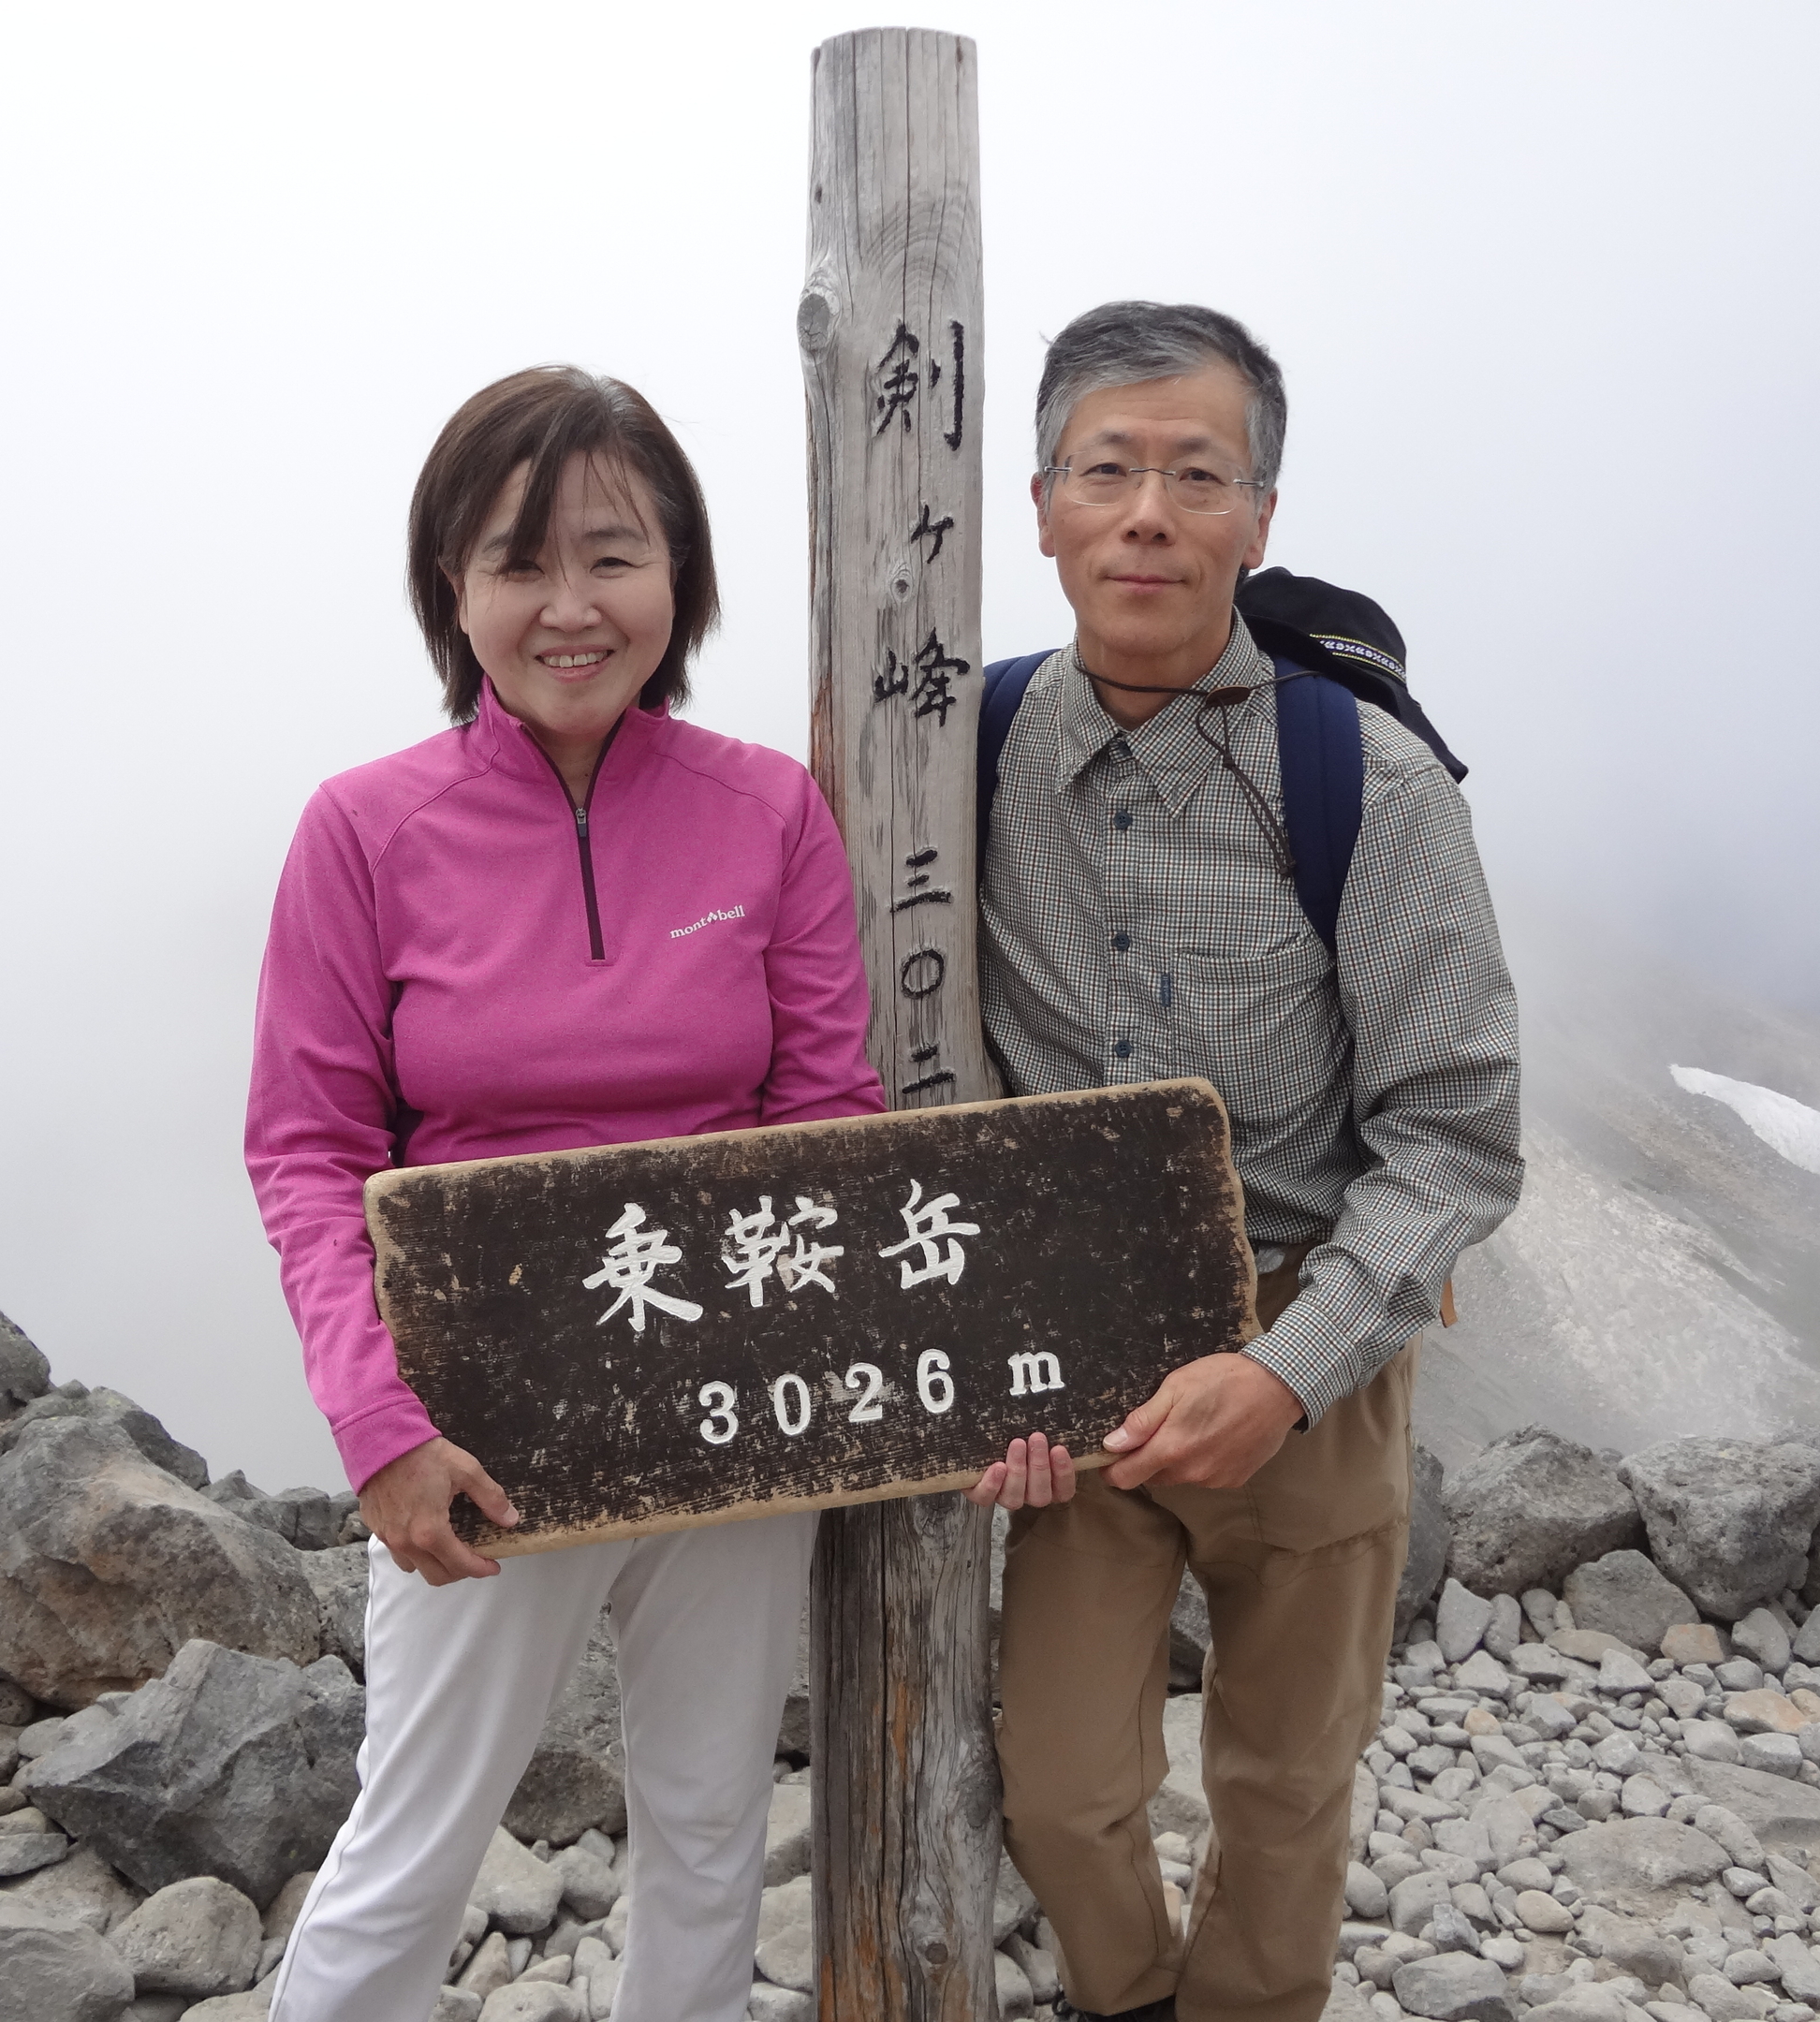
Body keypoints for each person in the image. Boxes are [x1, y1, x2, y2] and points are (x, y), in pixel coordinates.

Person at [244, 365, 884, 2022]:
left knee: (707, 1821)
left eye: (613, 553)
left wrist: (893, 1389)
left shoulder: (771, 813)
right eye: (517, 562)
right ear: (452, 591)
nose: (570, 606)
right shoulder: (364, 832)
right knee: (416, 1841)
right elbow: (308, 1150)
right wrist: (379, 1427)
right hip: (482, 1420)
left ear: (682, 574)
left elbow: (830, 1120)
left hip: (739, 1404)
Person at [969, 300, 1523, 2022]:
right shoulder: (961, 762)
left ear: (1259, 517)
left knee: (1287, 1785)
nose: (1150, 512)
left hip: (1317, 1343)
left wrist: (1282, 1377)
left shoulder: (1363, 779)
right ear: (1044, 503)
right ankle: (1126, 1998)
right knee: (1061, 1783)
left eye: (1197, 474)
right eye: (1108, 469)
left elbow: (1456, 1137)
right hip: (1080, 1350)